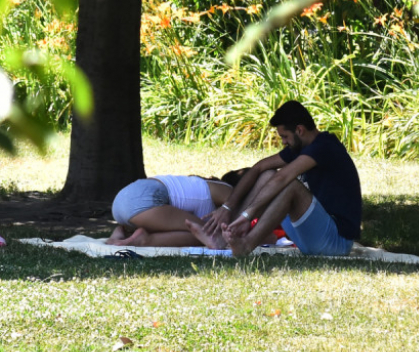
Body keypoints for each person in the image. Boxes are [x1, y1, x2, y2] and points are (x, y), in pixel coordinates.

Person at [190, 100, 362, 257]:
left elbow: (283, 178)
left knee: (290, 186)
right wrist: (228, 207)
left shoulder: (324, 146)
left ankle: (246, 245)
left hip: (336, 242)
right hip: (313, 238)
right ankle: (222, 238)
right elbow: (259, 168)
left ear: (299, 130)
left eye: (284, 137)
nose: (284, 142)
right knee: (267, 175)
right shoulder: (301, 147)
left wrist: (248, 215)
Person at [106, 171, 244, 247]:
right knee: (209, 236)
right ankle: (143, 240)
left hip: (122, 201)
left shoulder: (194, 186)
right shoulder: (228, 191)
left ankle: (124, 232)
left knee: (199, 231)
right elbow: (244, 217)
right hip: (145, 199)